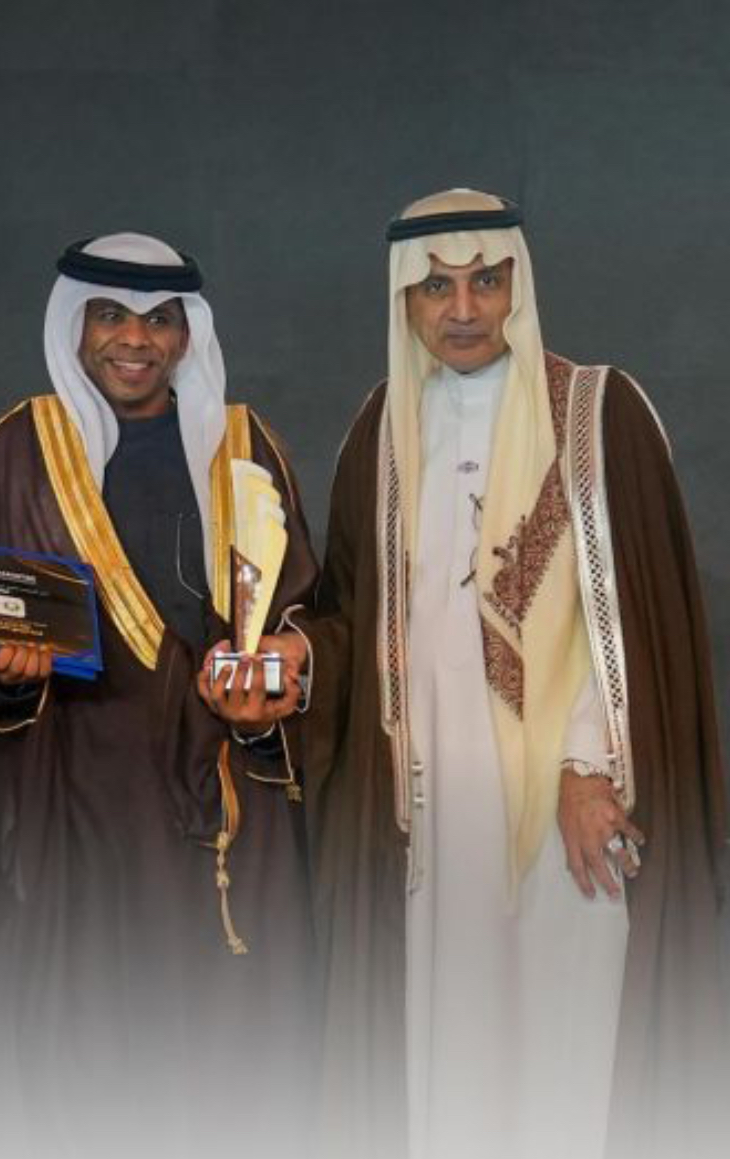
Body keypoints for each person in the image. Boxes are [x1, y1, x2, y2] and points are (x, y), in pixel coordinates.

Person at [298, 188, 729, 1159]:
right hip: (430, 807)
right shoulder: (380, 427)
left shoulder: (598, 412)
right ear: (403, 300)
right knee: (448, 1047)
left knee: (568, 1033)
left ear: (516, 287)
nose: (462, 310)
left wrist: (589, 766)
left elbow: (630, 617)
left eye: (485, 283)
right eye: (435, 288)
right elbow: (351, 614)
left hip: (568, 801)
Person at [0, 233, 319, 1159]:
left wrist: (272, 677)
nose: (135, 340)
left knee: (227, 1042)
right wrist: (2, 676)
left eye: (159, 320)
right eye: (110, 316)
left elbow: (302, 611)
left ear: (187, 336)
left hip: (223, 790)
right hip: (77, 791)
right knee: (87, 1042)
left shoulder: (244, 443)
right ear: (75, 327)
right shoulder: (17, 448)